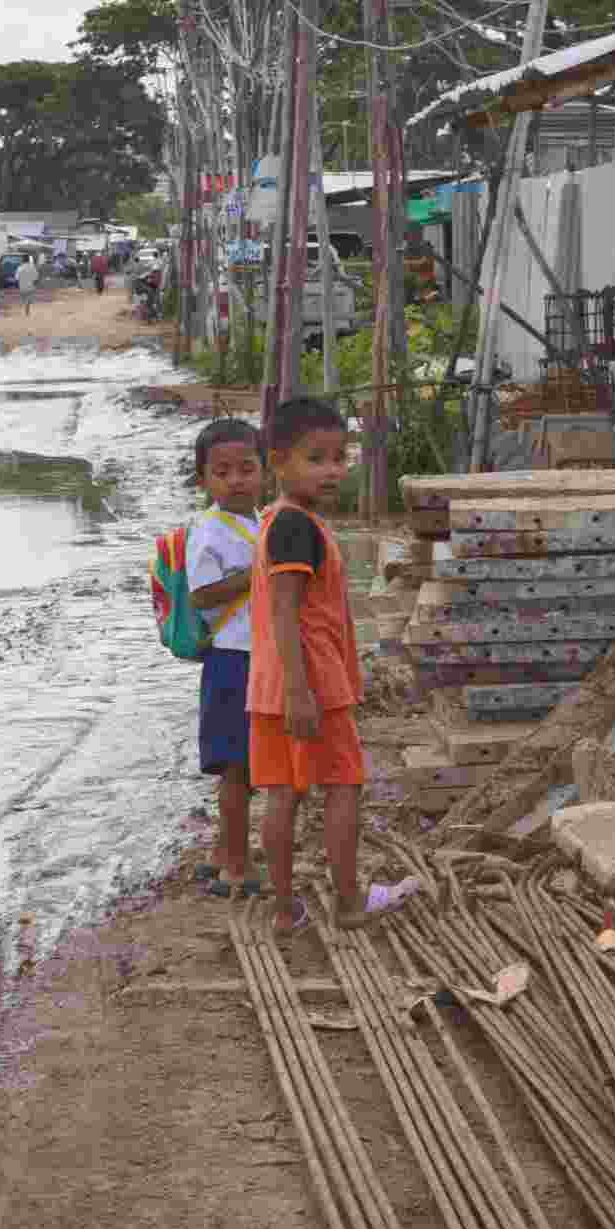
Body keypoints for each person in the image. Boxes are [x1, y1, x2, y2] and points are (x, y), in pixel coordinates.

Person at [248, 397, 420, 938]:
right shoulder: (297, 528)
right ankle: (349, 902)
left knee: (283, 791)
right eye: (315, 458)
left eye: (339, 457)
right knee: (343, 785)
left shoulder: (277, 522)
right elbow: (285, 610)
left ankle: (284, 909)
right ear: (279, 462)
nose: (333, 471)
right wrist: (304, 692)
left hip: (271, 686)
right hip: (312, 686)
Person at [186, 419, 266, 898]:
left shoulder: (258, 522)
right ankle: (237, 866)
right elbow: (201, 595)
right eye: (222, 472)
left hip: (255, 655)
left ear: (263, 471)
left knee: (244, 764)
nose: (236, 479)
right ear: (204, 482)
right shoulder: (210, 530)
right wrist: (259, 572)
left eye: (246, 468)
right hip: (233, 659)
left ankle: (222, 853)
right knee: (237, 767)